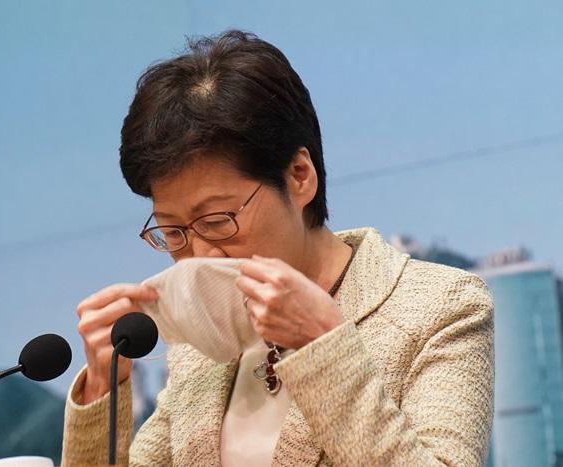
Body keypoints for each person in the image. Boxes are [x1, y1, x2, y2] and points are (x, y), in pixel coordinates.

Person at [60, 30, 494, 467]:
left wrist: (323, 346)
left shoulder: (440, 307)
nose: (200, 256)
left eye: (218, 221)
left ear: (300, 176)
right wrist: (102, 388)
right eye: (173, 233)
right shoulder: (201, 344)